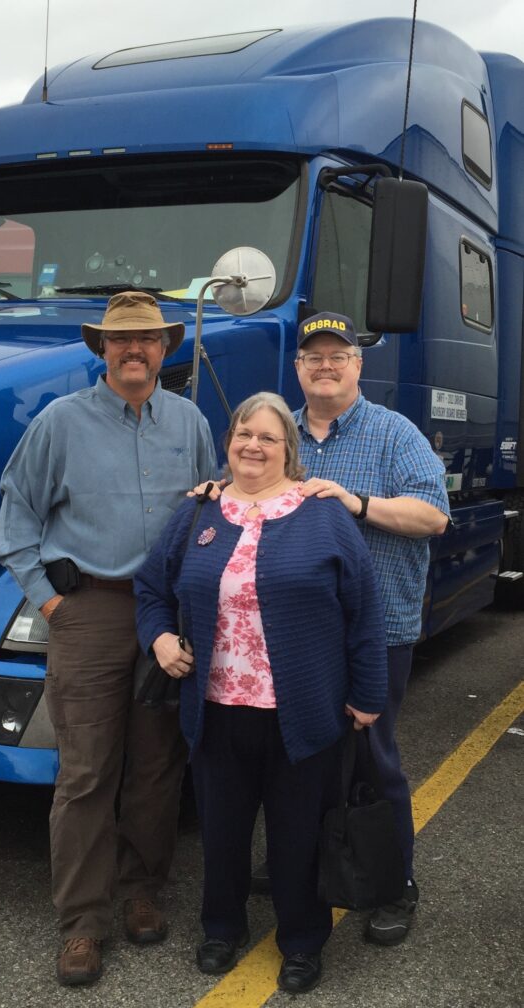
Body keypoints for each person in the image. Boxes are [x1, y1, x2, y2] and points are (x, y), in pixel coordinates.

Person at [0, 291, 217, 987]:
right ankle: (82, 924)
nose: (134, 350)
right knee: (87, 772)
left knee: (156, 766)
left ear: (165, 349)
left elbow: (208, 512)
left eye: (147, 340)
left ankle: (142, 891)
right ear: (101, 349)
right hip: (88, 614)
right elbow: (15, 522)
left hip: (166, 616)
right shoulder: (59, 423)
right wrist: (53, 603)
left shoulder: (188, 422)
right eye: (122, 341)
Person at [134, 392, 388, 994]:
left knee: (298, 834)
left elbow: (364, 610)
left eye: (268, 437)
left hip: (302, 712)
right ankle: (222, 928)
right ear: (229, 441)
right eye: (244, 433)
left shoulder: (321, 513)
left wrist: (368, 694)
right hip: (217, 709)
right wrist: (161, 640)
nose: (253, 445)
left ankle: (302, 941)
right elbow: (150, 587)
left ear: (287, 450)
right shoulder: (200, 511)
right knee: (221, 830)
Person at [238, 313, 449, 944]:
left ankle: (392, 886)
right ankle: (304, 864)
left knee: (375, 759)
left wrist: (355, 501)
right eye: (313, 358)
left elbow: (433, 517)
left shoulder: (394, 434)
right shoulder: (280, 435)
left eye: (339, 356)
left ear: (358, 366)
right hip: (298, 632)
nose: (325, 366)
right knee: (303, 755)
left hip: (378, 627)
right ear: (297, 369)